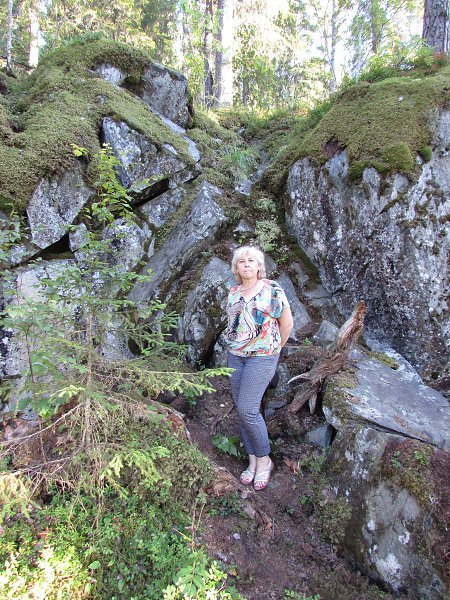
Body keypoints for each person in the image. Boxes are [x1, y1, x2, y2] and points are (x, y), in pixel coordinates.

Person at [226, 246, 294, 491]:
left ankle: (265, 459)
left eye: (251, 261)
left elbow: (287, 324)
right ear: (236, 267)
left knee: (247, 409)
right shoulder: (233, 292)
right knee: (242, 409)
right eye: (241, 261)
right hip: (236, 356)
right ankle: (252, 459)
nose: (246, 264)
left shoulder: (271, 289)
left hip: (262, 357)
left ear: (258, 266)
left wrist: (274, 350)